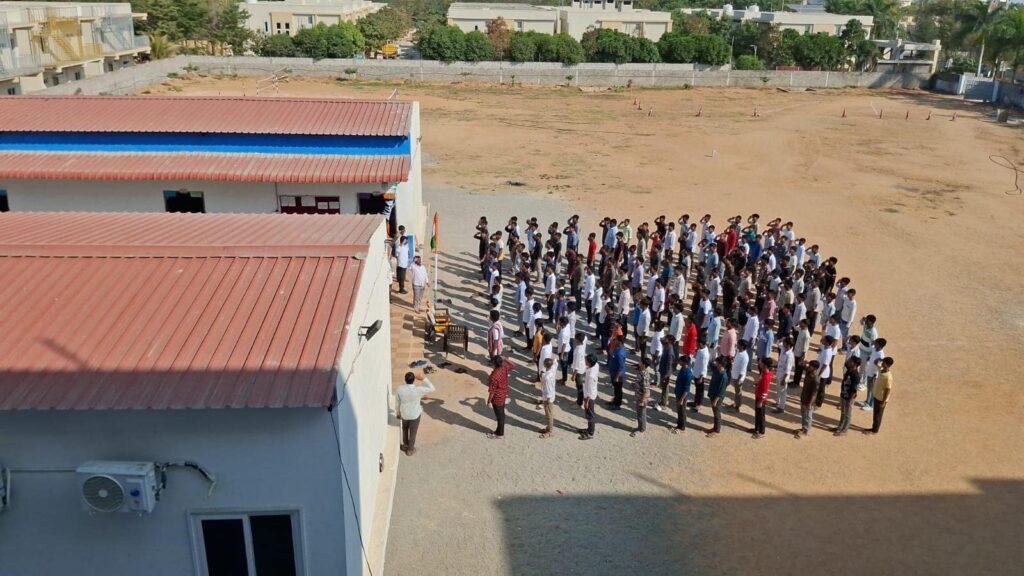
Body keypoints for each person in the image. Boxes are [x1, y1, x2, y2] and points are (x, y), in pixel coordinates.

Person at [395, 372, 435, 455]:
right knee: (413, 432)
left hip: (404, 414)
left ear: (405, 380)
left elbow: (398, 402)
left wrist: (398, 413)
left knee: (405, 430)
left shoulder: (399, 389)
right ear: (414, 380)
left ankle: (405, 445)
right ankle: (410, 450)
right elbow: (432, 388)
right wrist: (423, 379)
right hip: (415, 415)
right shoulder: (418, 390)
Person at [865, 357, 894, 435]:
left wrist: (883, 402)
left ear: (887, 365)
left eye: (884, 362)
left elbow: (887, 390)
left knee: (878, 415)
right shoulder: (881, 370)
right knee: (875, 414)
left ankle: (875, 430)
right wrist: (880, 359)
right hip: (876, 396)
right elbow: (875, 361)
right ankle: (873, 428)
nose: (882, 363)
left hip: (881, 399)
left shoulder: (888, 377)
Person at [487, 357, 513, 439]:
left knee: (500, 417)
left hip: (497, 398)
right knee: (501, 415)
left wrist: (488, 401)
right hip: (503, 394)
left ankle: (500, 434)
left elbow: (492, 391)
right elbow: (513, 365)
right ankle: (498, 431)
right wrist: (505, 359)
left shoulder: (494, 376)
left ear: (494, 364)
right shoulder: (504, 368)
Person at [834, 356, 861, 436]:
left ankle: (844, 430)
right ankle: (840, 427)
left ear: (855, 364)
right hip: (843, 394)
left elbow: (854, 390)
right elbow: (846, 364)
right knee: (843, 412)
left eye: (850, 361)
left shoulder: (855, 375)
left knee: (847, 414)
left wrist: (849, 400)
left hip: (849, 398)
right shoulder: (849, 369)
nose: (848, 361)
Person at [795, 360, 820, 438]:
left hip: (809, 400)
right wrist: (805, 362)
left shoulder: (816, 379)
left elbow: (814, 394)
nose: (808, 367)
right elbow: (799, 364)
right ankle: (803, 428)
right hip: (804, 397)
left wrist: (809, 403)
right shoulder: (809, 372)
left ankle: (806, 431)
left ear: (815, 368)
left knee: (808, 415)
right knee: (803, 414)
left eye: (810, 366)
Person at [705, 357, 729, 437]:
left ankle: (717, 430)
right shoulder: (716, 370)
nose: (716, 364)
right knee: (714, 412)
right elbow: (711, 364)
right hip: (713, 394)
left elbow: (721, 390)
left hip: (717, 397)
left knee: (717, 413)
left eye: (717, 363)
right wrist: (711, 360)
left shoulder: (723, 376)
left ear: (721, 364)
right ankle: (715, 428)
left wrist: (715, 400)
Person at [579, 354, 600, 440]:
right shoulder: (596, 365)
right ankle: (588, 429)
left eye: (586, 360)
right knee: (589, 414)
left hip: (589, 397)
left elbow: (590, 391)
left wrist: (586, 402)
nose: (585, 361)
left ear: (590, 363)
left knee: (590, 414)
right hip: (590, 393)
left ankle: (590, 433)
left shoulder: (591, 376)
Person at [752, 357, 774, 439]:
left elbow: (765, 391)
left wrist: (761, 401)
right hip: (758, 396)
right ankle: (757, 429)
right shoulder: (763, 373)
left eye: (761, 363)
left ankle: (761, 431)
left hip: (761, 398)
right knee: (757, 413)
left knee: (761, 415)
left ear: (765, 365)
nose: (759, 364)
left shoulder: (766, 377)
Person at [773, 337, 796, 414]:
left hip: (783, 376)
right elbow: (778, 343)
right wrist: (782, 339)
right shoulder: (783, 349)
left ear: (788, 345)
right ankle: (777, 403)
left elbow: (788, 370)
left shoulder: (790, 355)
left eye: (784, 342)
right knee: (778, 389)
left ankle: (781, 408)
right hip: (779, 373)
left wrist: (783, 379)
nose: (783, 344)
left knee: (783, 392)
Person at [631, 358, 652, 437]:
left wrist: (642, 401)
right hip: (639, 396)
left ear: (644, 365)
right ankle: (640, 427)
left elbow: (646, 390)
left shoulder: (644, 376)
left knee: (641, 414)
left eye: (640, 362)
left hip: (642, 398)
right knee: (639, 413)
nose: (639, 362)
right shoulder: (642, 371)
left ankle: (642, 429)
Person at [606, 335, 627, 409]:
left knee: (618, 390)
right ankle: (615, 401)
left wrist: (617, 377)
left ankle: (617, 405)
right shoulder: (618, 348)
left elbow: (620, 367)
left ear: (619, 342)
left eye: (616, 340)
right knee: (616, 389)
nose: (614, 341)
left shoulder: (619, 353)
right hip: (614, 372)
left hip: (617, 375)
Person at [673, 355, 693, 433]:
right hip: (678, 392)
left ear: (684, 363)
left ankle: (682, 427)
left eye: (680, 361)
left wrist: (681, 399)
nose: (679, 362)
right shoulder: (683, 368)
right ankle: (679, 424)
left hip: (682, 395)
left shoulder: (688, 374)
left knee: (682, 410)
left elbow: (686, 389)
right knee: (679, 410)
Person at [729, 340, 750, 412]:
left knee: (738, 392)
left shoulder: (745, 357)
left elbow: (742, 370)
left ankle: (737, 407)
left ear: (742, 346)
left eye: (738, 344)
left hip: (738, 378)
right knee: (736, 391)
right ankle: (736, 403)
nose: (737, 345)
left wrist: (738, 380)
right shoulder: (739, 351)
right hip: (735, 375)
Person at [539, 357, 557, 438]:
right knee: (549, 413)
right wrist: (552, 361)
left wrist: (547, 400)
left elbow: (548, 389)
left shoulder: (547, 377)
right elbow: (555, 361)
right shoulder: (553, 369)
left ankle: (550, 431)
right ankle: (548, 428)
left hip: (548, 398)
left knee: (549, 414)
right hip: (551, 395)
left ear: (545, 365)